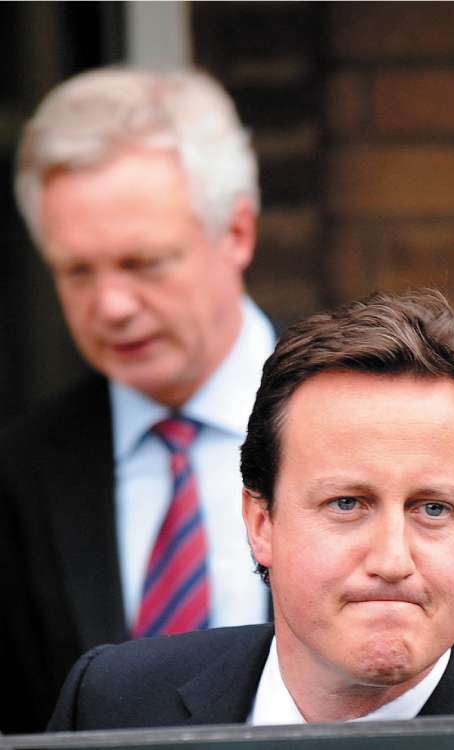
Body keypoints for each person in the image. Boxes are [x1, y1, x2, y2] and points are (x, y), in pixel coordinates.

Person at [47, 289, 454, 731]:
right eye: (346, 503)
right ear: (261, 523)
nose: (393, 561)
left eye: (433, 508)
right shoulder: (112, 704)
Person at [0, 67, 276, 733]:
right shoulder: (23, 470)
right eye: (78, 271)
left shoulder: (380, 423)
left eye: (142, 263)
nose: (112, 307)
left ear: (236, 233)